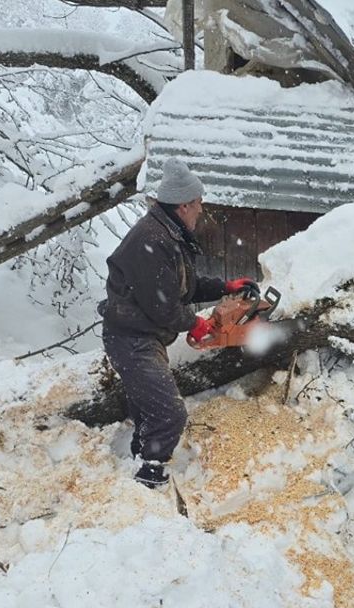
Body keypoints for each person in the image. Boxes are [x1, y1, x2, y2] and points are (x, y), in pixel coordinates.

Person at [99, 158, 255, 488]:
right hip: (131, 339)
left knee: (147, 410)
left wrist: (225, 287)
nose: (201, 210)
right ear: (184, 205)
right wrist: (193, 323)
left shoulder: (168, 233)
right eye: (198, 204)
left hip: (142, 335)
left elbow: (183, 286)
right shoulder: (153, 240)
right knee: (170, 413)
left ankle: (139, 465)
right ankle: (149, 476)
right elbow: (163, 306)